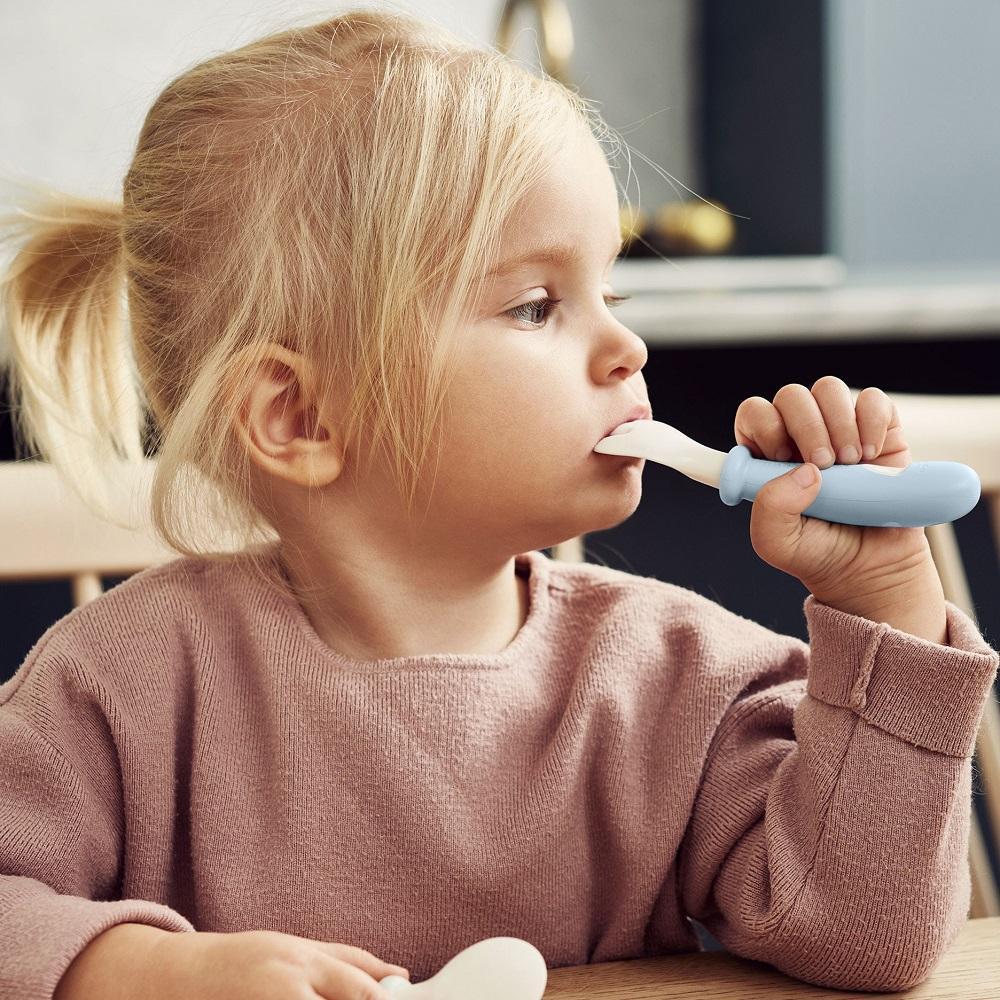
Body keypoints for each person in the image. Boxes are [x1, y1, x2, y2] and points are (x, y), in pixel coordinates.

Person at [1, 7, 997, 1000]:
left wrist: (884, 599)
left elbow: (867, 938)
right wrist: (134, 966)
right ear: (299, 416)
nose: (626, 349)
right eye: (535, 306)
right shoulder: (117, 691)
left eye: (616, 294)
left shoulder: (680, 685)